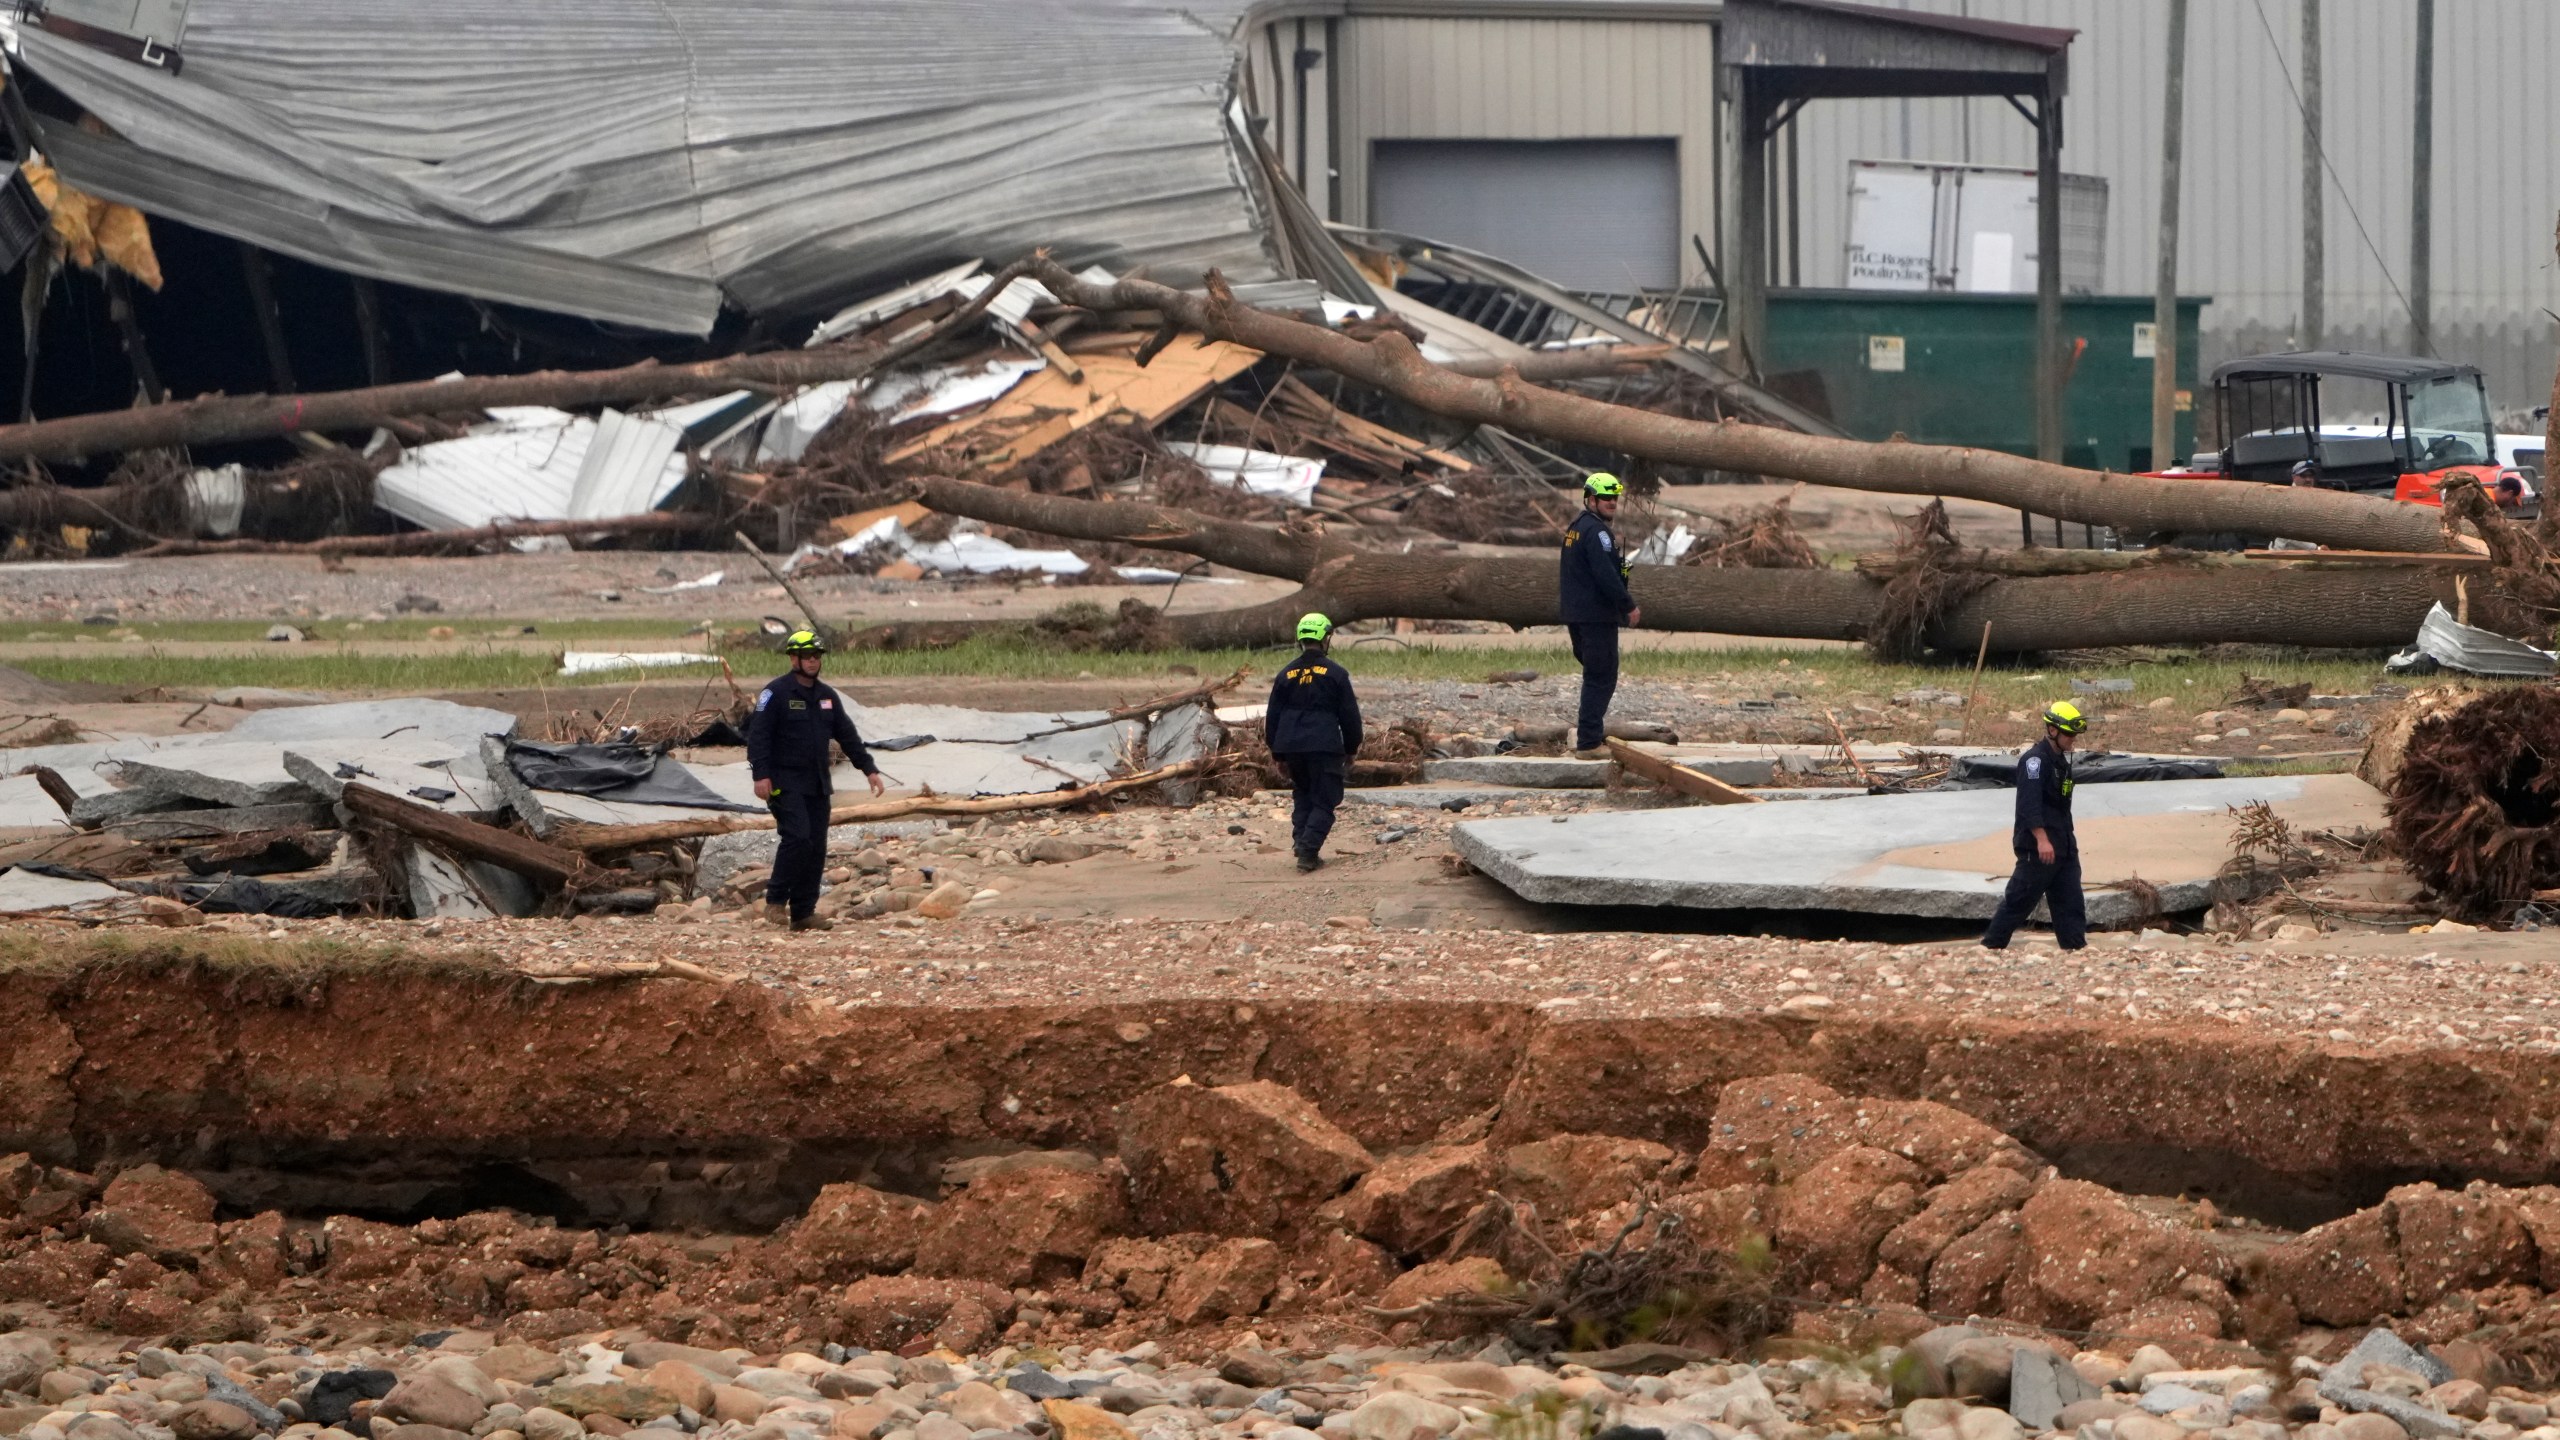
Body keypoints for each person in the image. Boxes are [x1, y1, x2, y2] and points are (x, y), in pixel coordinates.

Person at [745, 629, 886, 931]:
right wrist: (761, 775)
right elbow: (758, 737)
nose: (812, 661)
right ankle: (775, 900)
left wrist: (869, 769)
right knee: (797, 836)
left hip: (818, 783)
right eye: (807, 656)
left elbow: (847, 735)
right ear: (793, 658)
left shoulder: (827, 697)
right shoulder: (775, 693)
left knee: (816, 845)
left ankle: (803, 913)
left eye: (817, 656)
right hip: (784, 780)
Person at [1980, 700, 2088, 951]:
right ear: (2053, 731)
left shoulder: (2061, 761)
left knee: (2071, 903)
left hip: (2064, 846)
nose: (2073, 739)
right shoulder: (2034, 761)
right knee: (2019, 900)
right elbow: (2029, 805)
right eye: (2069, 734)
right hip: (2038, 849)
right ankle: (1991, 948)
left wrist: (2065, 843)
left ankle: (2076, 950)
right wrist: (2041, 839)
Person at [1265, 612, 1363, 873]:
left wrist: (1277, 754)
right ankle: (1308, 852)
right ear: (1325, 639)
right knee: (1325, 799)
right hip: (1324, 746)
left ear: (1301, 638)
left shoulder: (1285, 674)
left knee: (1303, 794)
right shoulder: (1336, 674)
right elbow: (1350, 716)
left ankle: (1301, 841)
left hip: (1290, 746)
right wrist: (1352, 748)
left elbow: (1272, 717)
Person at [1559, 472, 1641, 758]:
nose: (1612, 502)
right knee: (1601, 676)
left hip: (1577, 615)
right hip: (1596, 617)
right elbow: (1605, 576)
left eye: (1615, 497)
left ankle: (1588, 735)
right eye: (1606, 498)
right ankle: (1589, 743)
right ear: (1591, 499)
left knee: (1594, 674)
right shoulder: (1598, 533)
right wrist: (1628, 605)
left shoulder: (1576, 528)